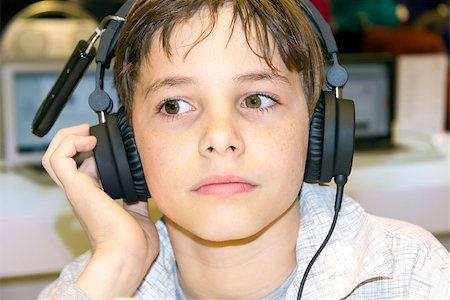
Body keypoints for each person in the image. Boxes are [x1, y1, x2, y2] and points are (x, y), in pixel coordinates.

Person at [39, 0, 450, 299]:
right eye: (174, 105)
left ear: (319, 124)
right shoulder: (94, 284)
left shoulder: (409, 276)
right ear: (124, 146)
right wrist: (120, 264)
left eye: (255, 99)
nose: (220, 137)